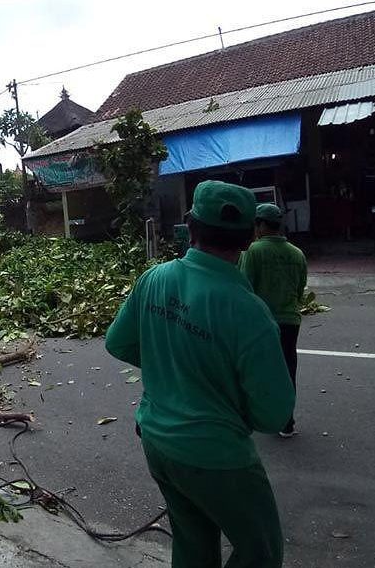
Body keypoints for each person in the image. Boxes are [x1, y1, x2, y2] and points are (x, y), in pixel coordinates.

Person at [105, 181, 295, 568]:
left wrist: (172, 367)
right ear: (247, 240)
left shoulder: (154, 279)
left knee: (193, 542)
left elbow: (118, 343)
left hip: (157, 442)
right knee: (261, 549)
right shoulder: (250, 312)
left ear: (189, 227)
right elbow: (274, 415)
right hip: (217, 456)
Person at [239, 203, 308, 438]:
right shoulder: (297, 253)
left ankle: (258, 416)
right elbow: (300, 289)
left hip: (262, 322)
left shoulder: (253, 252)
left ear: (260, 225)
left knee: (259, 371)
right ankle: (287, 422)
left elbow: (245, 288)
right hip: (291, 320)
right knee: (288, 369)